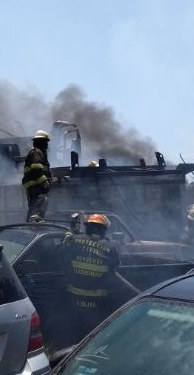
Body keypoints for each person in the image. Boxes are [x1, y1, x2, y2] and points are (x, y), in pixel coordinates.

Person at [57, 214, 124, 348]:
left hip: (73, 297)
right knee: (93, 333)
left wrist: (71, 230)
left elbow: (62, 247)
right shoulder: (111, 248)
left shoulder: (74, 240)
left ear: (87, 228)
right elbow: (115, 266)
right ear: (104, 230)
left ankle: (67, 355)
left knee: (72, 329)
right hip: (98, 301)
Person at [22, 130, 52, 222]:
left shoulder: (35, 152)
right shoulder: (37, 152)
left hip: (33, 187)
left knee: (33, 206)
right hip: (37, 186)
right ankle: (35, 222)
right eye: (46, 142)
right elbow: (36, 169)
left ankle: (29, 225)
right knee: (42, 200)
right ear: (41, 142)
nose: (47, 145)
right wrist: (45, 182)